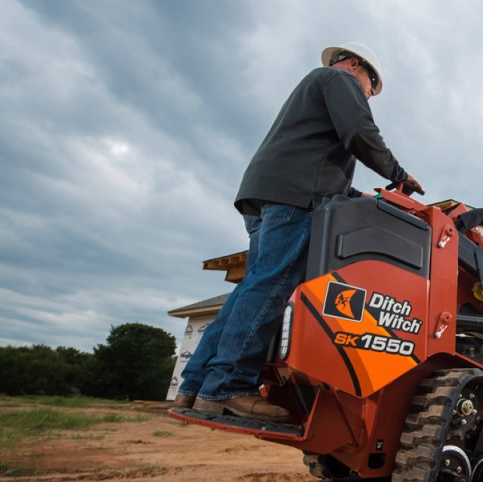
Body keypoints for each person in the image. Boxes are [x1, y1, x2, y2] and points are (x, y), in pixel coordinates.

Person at [174, 42, 421, 422]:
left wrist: (354, 195)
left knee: (253, 286)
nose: (369, 95)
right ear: (357, 67)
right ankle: (230, 385)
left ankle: (195, 386)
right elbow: (358, 130)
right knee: (272, 285)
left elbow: (319, 155)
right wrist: (398, 174)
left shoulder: (313, 88)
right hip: (294, 196)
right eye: (371, 88)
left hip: (267, 194)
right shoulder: (338, 80)